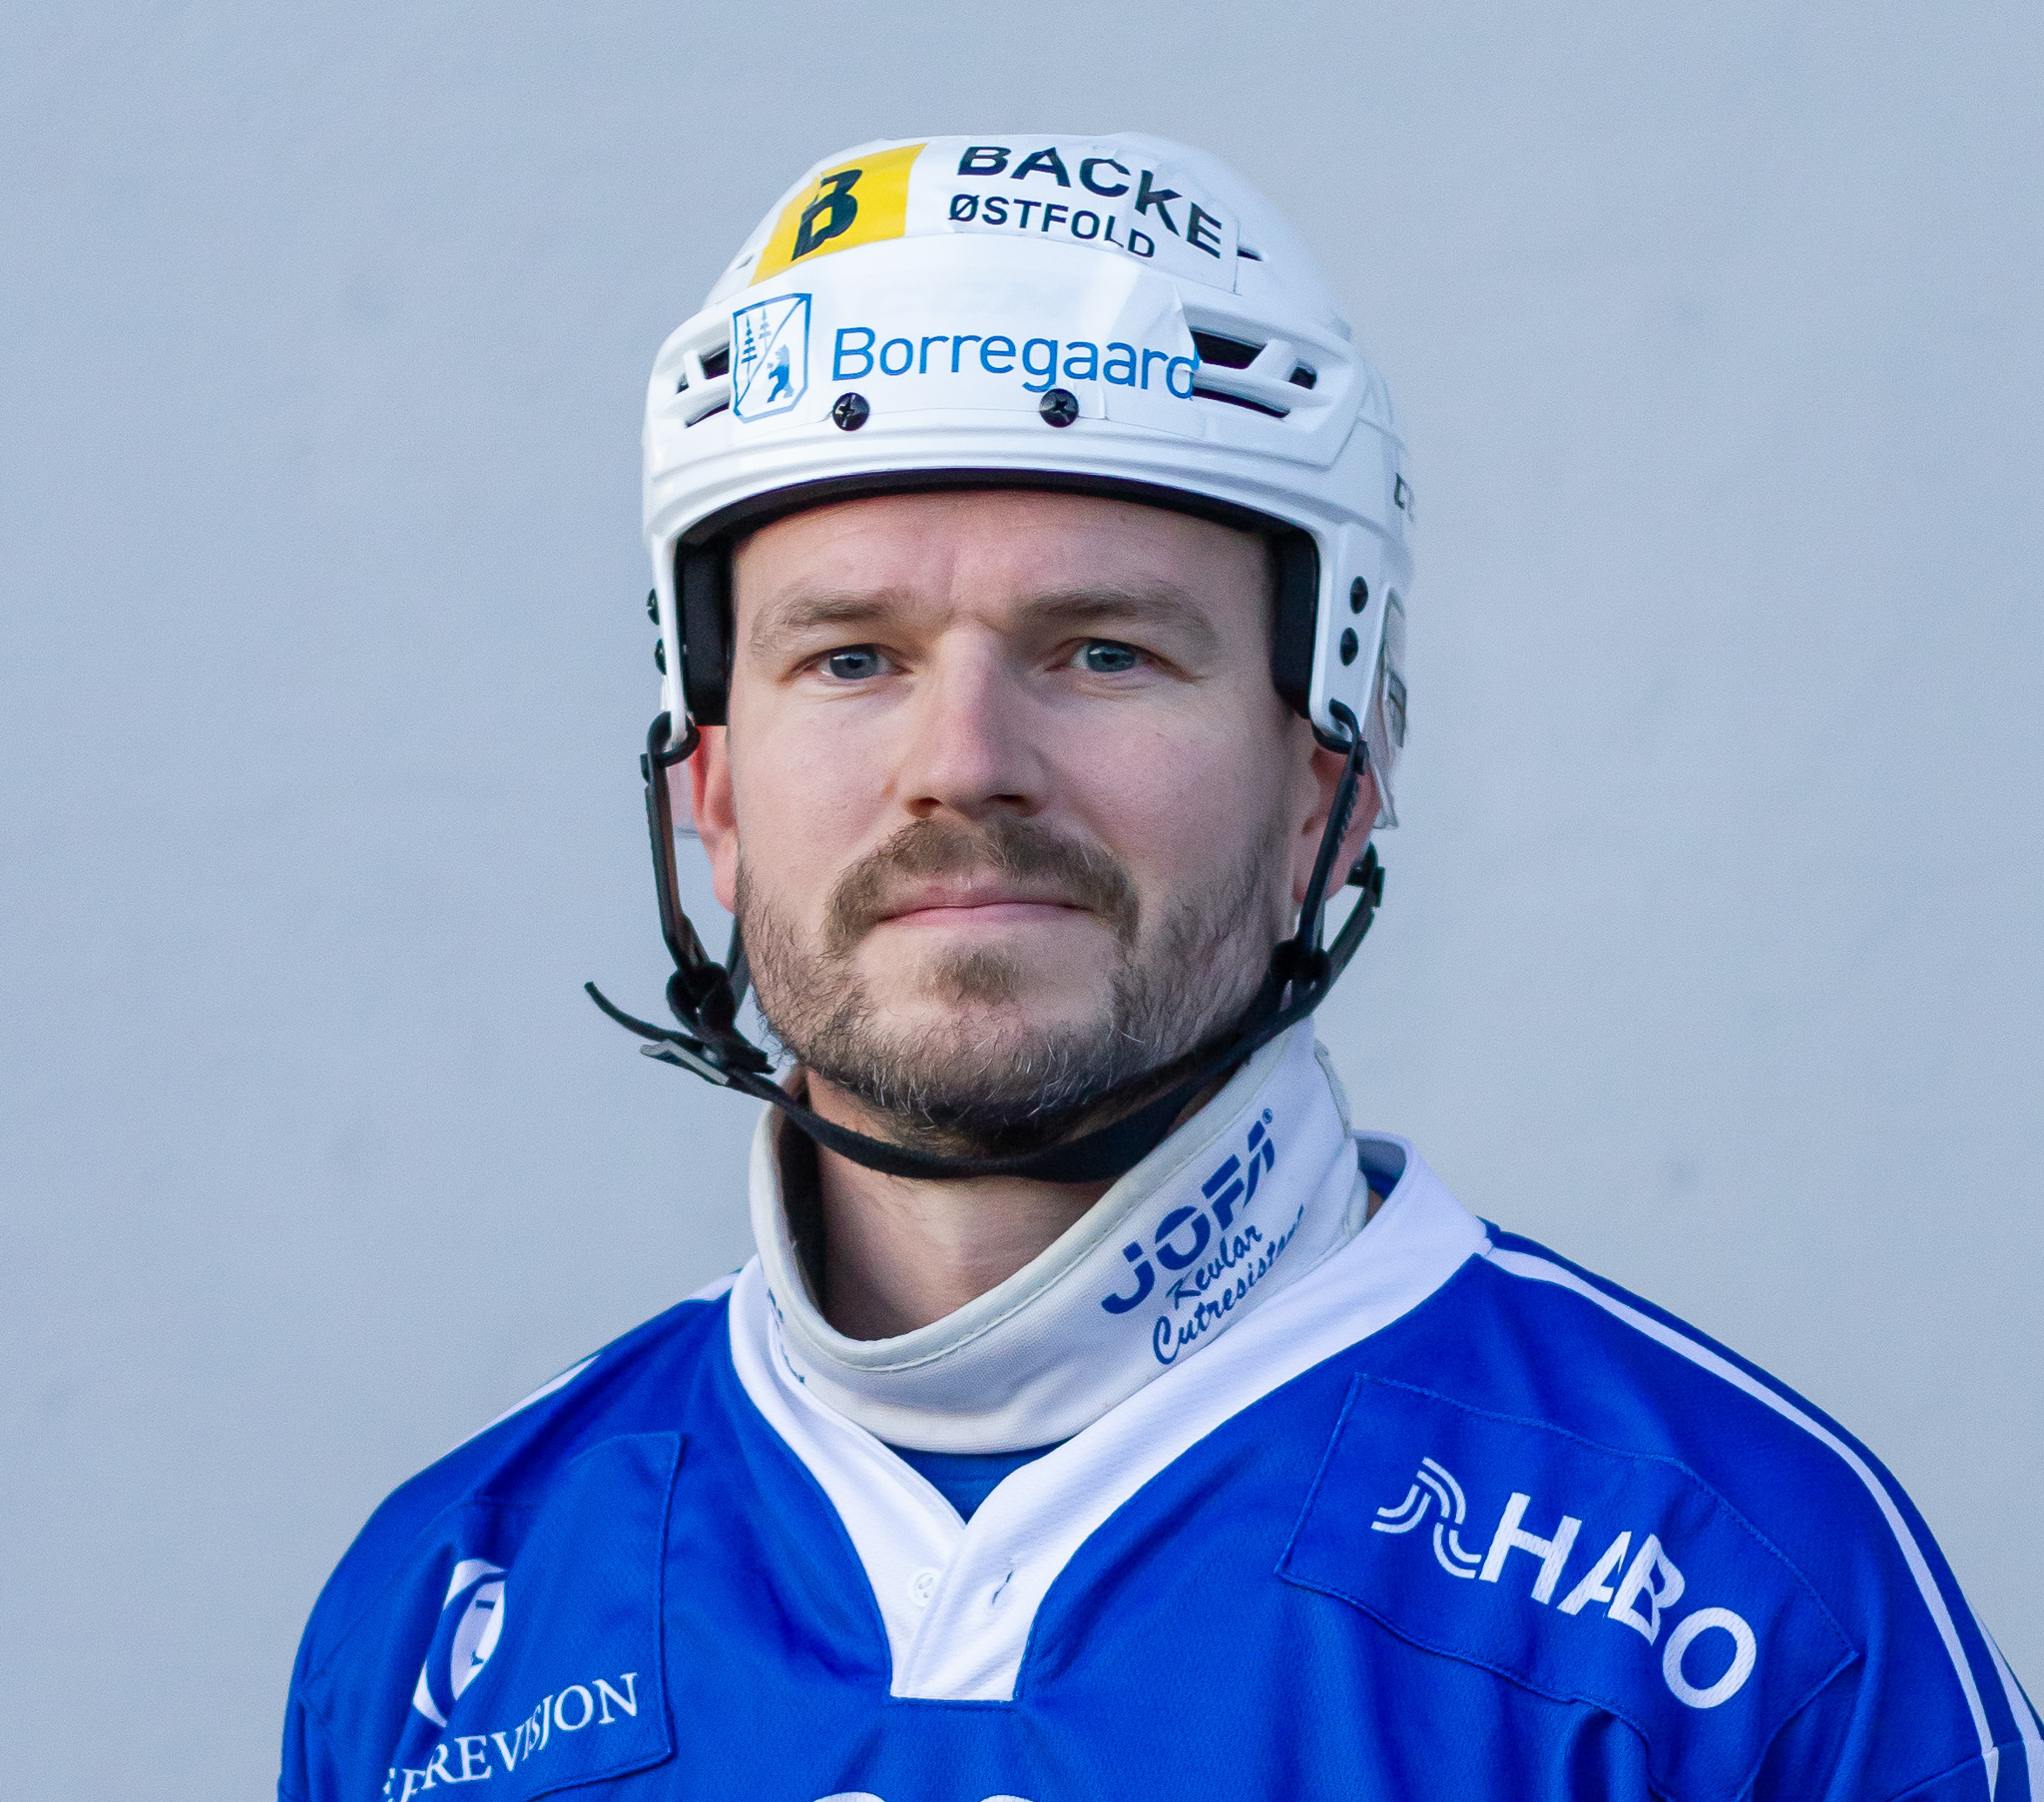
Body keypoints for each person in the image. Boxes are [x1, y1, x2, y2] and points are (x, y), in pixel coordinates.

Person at [279, 135, 2039, 1802]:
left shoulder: (1741, 1598)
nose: (965, 764)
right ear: (714, 793)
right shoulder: (449, 1598)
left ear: (1328, 783)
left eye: (1104, 651)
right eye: (851, 659)